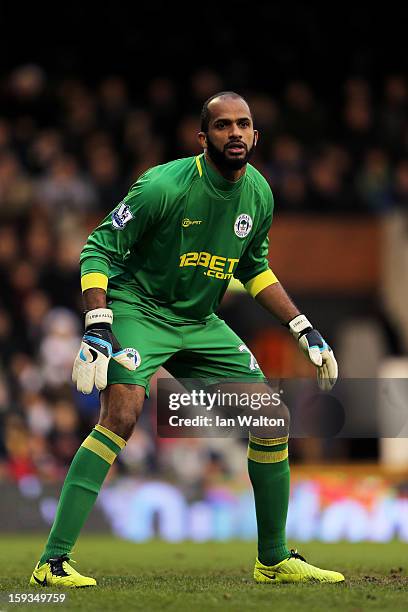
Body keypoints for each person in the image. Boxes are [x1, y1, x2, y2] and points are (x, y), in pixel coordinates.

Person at [30, 92, 343, 587]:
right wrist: (97, 324)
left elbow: (254, 268)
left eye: (244, 125)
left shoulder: (259, 193)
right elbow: (97, 249)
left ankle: (273, 559)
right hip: (139, 308)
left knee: (271, 420)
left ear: (256, 136)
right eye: (223, 126)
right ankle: (52, 562)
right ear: (203, 137)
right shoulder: (163, 186)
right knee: (123, 412)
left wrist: (301, 324)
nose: (235, 133)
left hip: (199, 320)